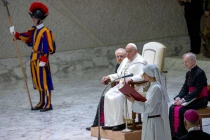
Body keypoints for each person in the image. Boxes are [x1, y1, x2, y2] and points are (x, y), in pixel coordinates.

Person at [9, 2, 56, 112]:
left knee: (45, 82)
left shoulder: (46, 32)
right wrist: (15, 34)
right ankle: (41, 102)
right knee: (38, 81)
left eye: (34, 18)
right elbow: (26, 37)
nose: (33, 19)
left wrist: (44, 59)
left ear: (39, 19)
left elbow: (48, 47)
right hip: (34, 59)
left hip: (41, 59)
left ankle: (48, 103)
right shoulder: (34, 31)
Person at [102, 43, 147, 131]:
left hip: (135, 87)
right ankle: (111, 123)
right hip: (122, 85)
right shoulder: (126, 60)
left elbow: (143, 76)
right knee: (108, 95)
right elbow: (119, 74)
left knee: (119, 97)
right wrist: (109, 77)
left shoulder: (141, 61)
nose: (127, 53)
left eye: (130, 51)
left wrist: (132, 79)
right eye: (126, 51)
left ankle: (120, 123)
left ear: (136, 51)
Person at [126, 64, 171, 140]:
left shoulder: (156, 88)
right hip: (150, 119)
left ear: (151, 74)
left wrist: (134, 101)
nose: (143, 75)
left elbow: (149, 107)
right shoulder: (153, 86)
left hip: (154, 122)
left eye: (145, 73)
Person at [169, 52, 208, 139]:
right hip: (192, 98)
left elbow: (197, 91)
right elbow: (185, 88)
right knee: (172, 107)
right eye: (184, 62)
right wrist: (178, 97)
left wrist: (183, 100)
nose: (185, 64)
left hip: (201, 99)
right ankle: (174, 135)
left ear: (193, 61)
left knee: (182, 109)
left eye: (186, 61)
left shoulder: (200, 73)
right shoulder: (188, 73)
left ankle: (184, 135)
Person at [85, 48, 126, 131]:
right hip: (118, 88)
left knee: (108, 98)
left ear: (126, 56)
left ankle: (115, 123)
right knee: (104, 98)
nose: (119, 58)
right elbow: (116, 79)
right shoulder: (118, 66)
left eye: (121, 56)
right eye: (117, 56)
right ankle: (99, 124)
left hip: (125, 89)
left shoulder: (128, 64)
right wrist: (108, 80)